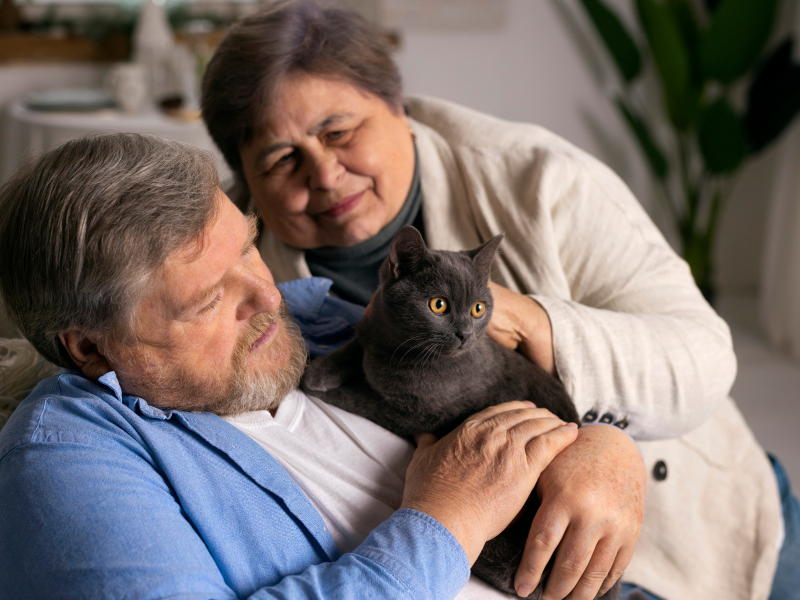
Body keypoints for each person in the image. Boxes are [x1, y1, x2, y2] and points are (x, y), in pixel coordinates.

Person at [199, 2, 799, 600]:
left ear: (399, 107)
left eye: (339, 132)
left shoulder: (540, 178)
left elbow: (706, 356)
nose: (325, 175)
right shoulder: (226, 265)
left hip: (699, 540)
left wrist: (543, 337)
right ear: (245, 181)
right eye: (282, 159)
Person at [0, 132, 590, 599]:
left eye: (249, 246)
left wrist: (600, 454)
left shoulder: (321, 319)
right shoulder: (67, 459)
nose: (267, 295)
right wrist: (448, 520)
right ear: (90, 347)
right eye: (208, 300)